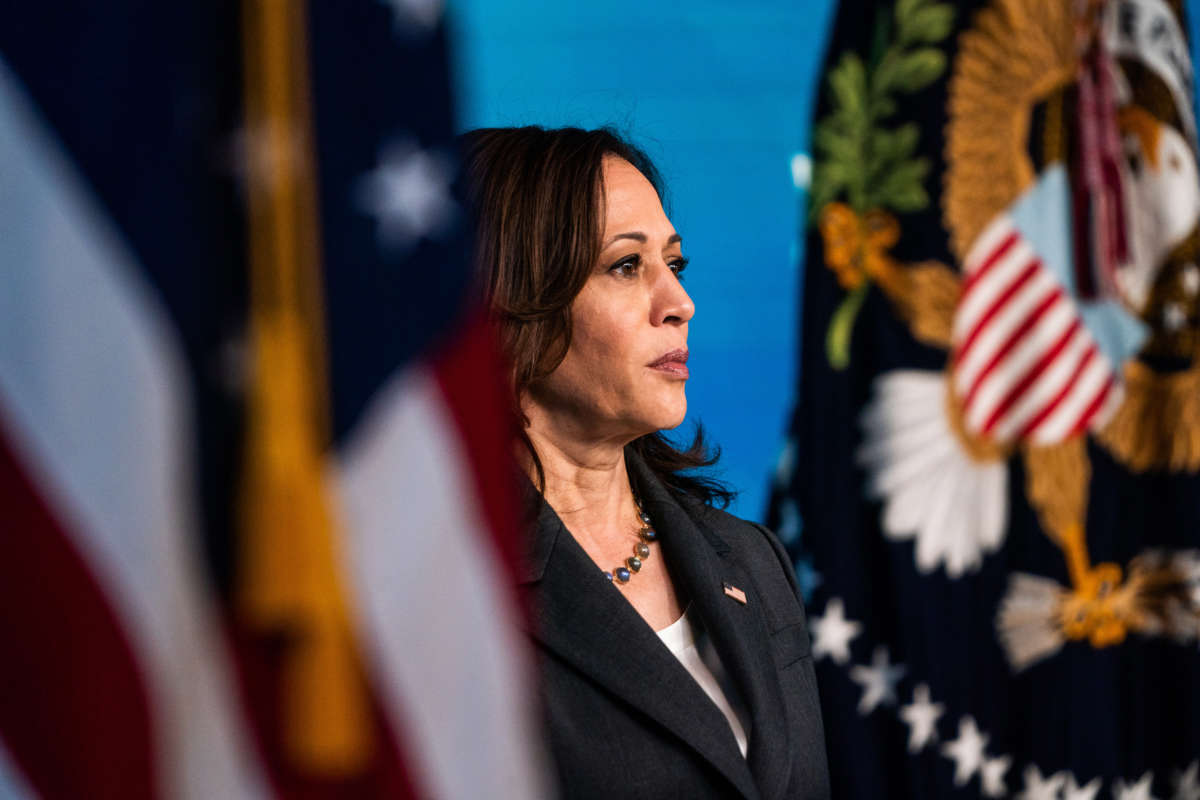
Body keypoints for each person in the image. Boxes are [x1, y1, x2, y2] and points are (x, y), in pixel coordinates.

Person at [462, 126, 830, 799]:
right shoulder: (457, 593)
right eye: (627, 267)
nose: (680, 304)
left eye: (675, 264)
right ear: (514, 300)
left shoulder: (751, 561)